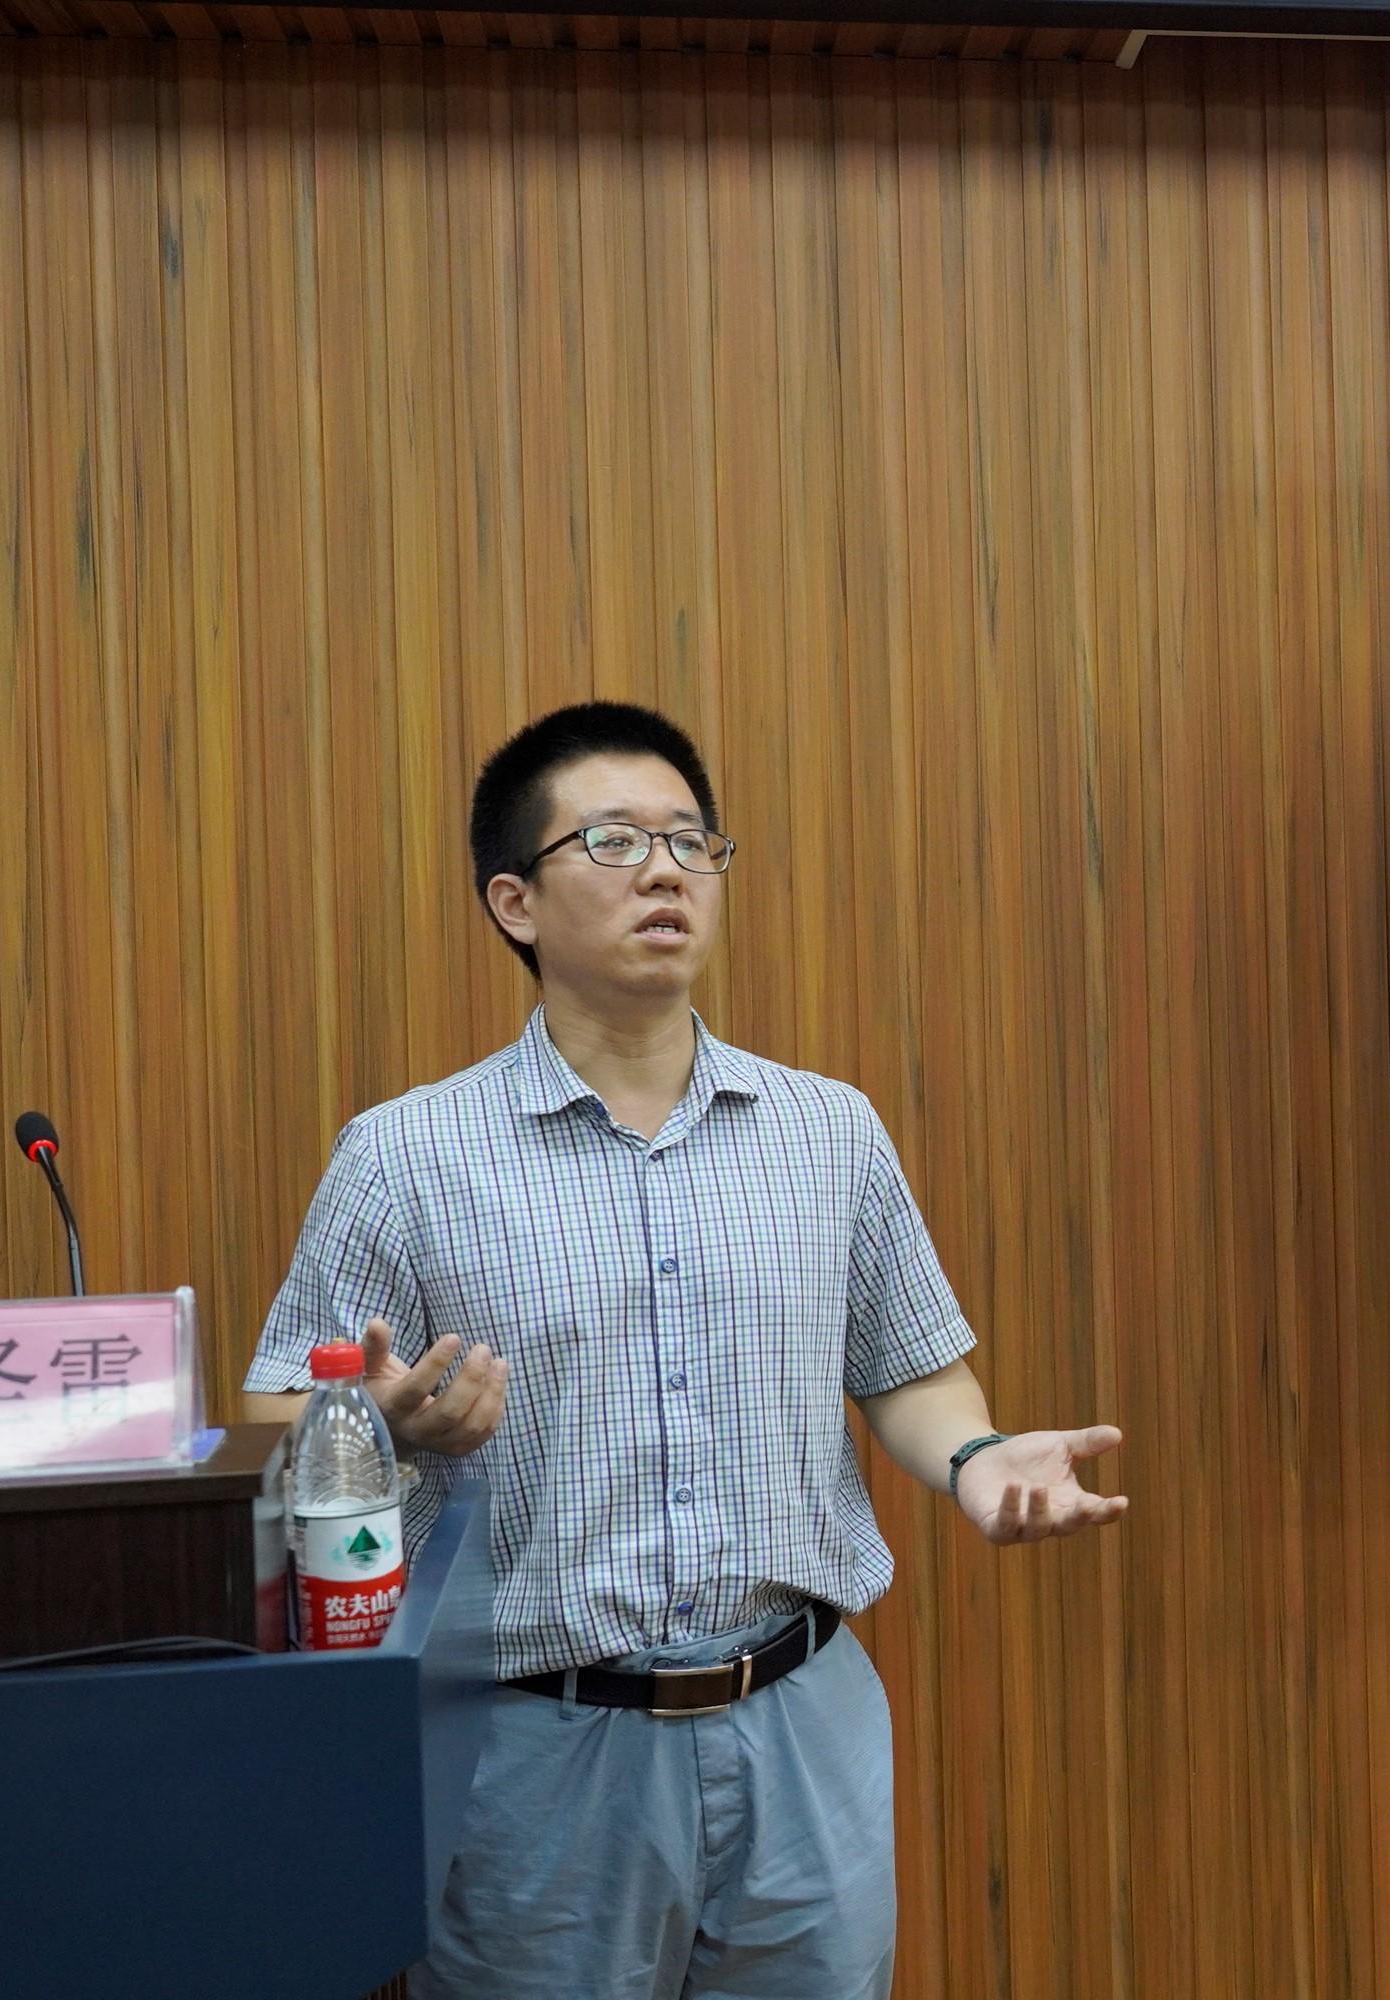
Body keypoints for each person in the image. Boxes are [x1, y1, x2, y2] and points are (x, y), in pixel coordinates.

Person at [240, 701, 1125, 2000]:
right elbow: (283, 1421)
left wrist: (978, 1460)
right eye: (612, 841)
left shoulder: (828, 1130)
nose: (665, 871)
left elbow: (910, 1370)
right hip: (534, 1745)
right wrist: (390, 1432)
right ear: (515, 902)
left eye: (691, 842)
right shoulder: (406, 1155)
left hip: (802, 1721)